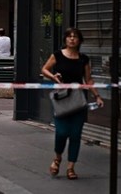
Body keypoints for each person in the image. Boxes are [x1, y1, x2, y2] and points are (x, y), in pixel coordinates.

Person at [41, 28, 104, 180]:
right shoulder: (57, 55)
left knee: (75, 135)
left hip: (78, 100)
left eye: (75, 37)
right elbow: (44, 69)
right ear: (65, 40)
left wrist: (97, 96)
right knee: (62, 132)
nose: (72, 39)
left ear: (79, 41)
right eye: (69, 36)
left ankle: (71, 167)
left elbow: (88, 80)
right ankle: (57, 158)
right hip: (62, 99)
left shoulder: (83, 59)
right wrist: (53, 77)